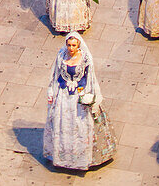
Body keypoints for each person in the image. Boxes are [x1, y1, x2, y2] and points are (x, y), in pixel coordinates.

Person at [43, 33, 116, 172]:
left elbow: (90, 78)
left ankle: (81, 156)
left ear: (78, 46)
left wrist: (88, 97)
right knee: (63, 123)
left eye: (74, 46)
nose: (71, 48)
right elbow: (55, 74)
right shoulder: (61, 55)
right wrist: (52, 91)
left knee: (81, 125)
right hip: (64, 97)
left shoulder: (86, 58)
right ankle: (64, 156)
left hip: (79, 96)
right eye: (69, 45)